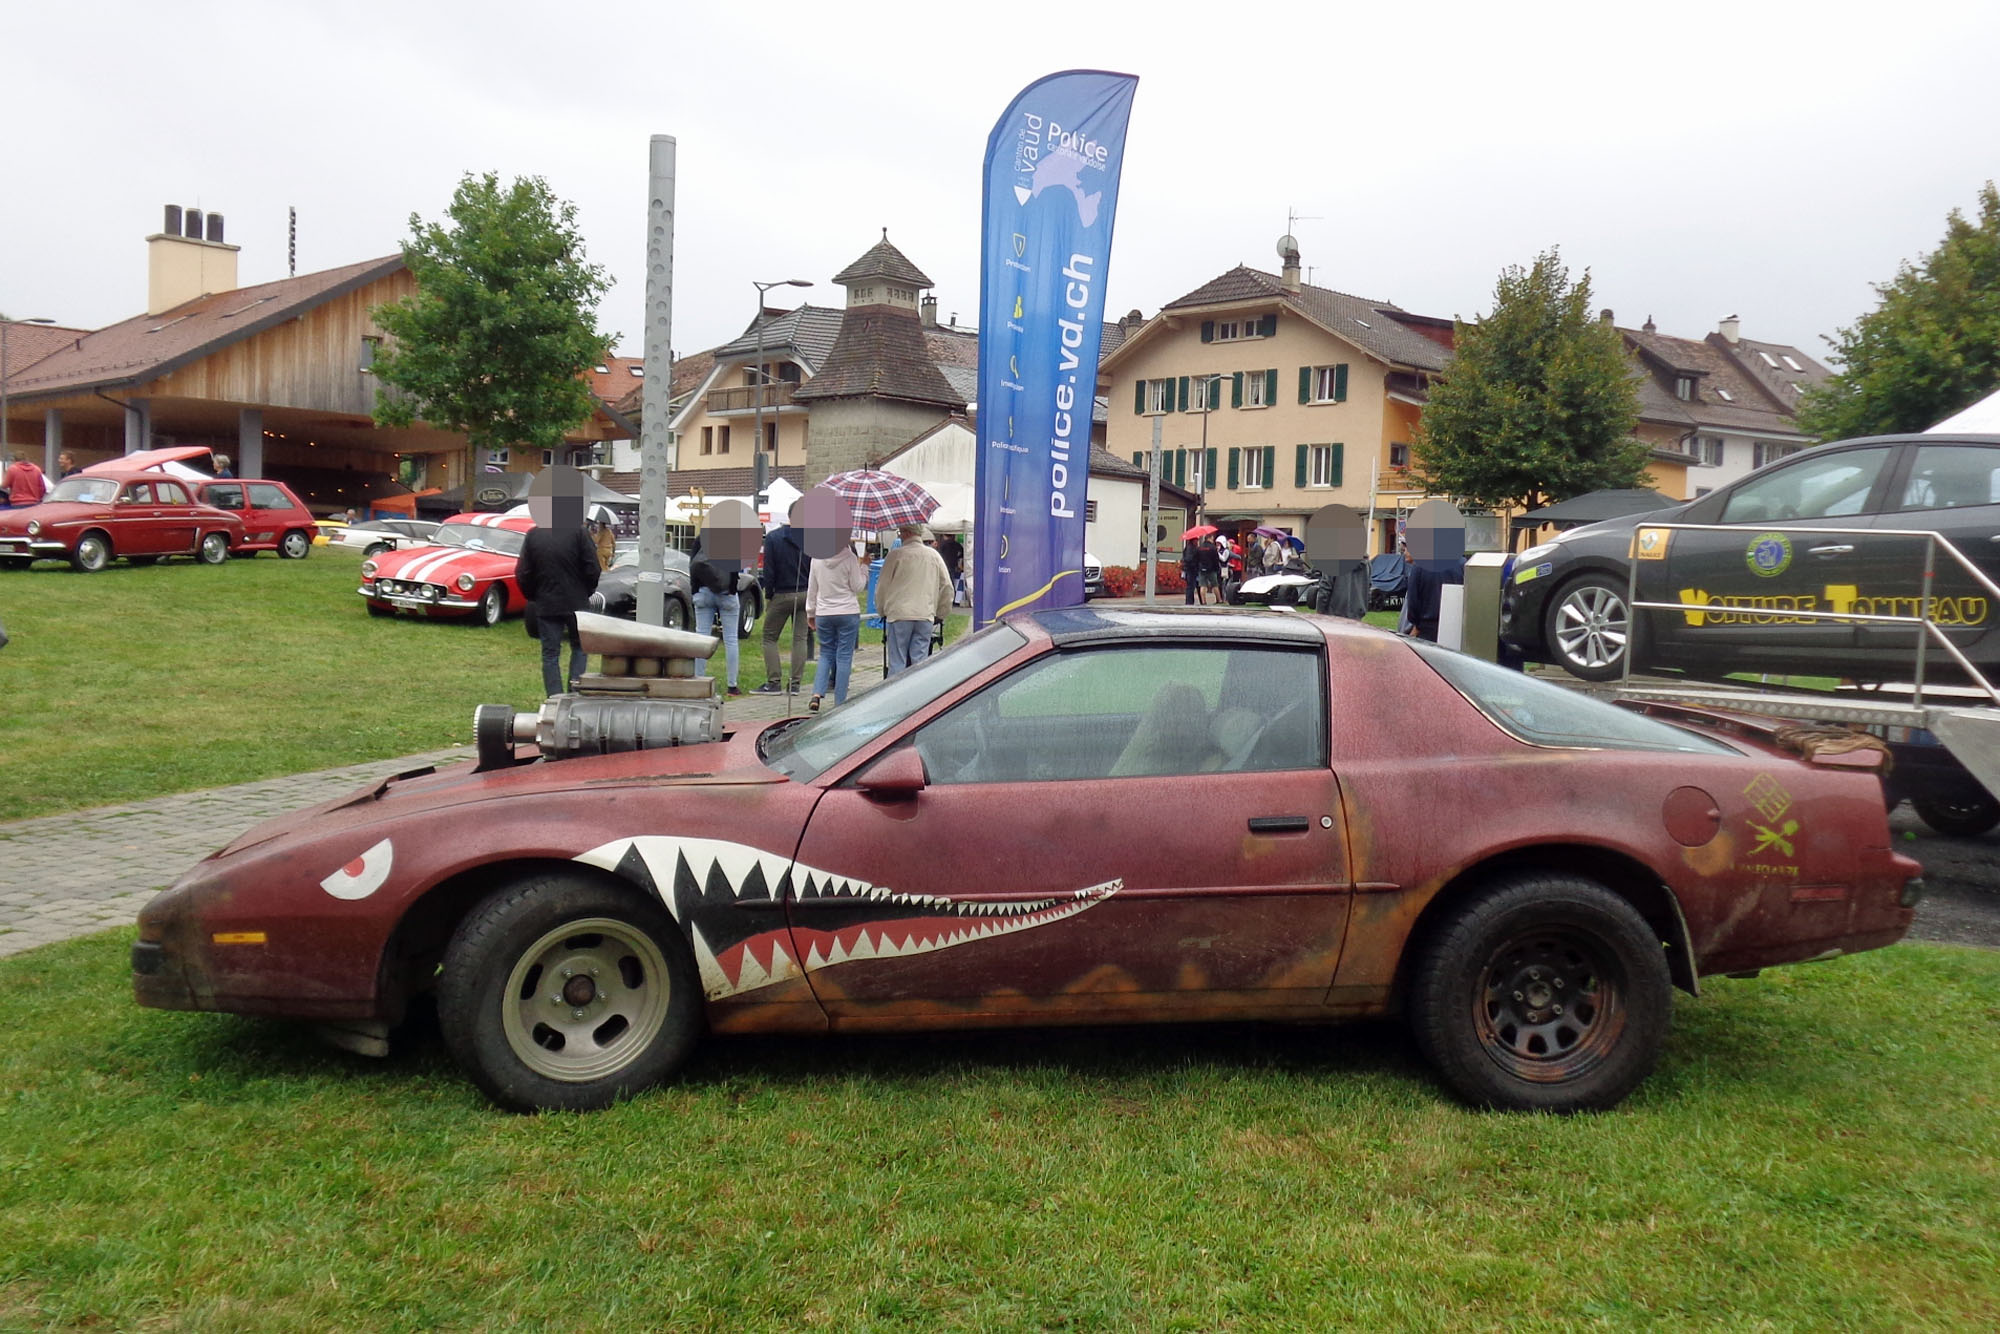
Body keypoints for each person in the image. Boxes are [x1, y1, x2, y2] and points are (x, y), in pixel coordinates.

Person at [516, 470, 601, 697]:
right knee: (579, 649)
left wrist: (533, 595)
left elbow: (523, 572)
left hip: (546, 602)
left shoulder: (534, 535)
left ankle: (554, 697)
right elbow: (593, 568)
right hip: (577, 602)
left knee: (550, 654)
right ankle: (574, 692)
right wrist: (587, 591)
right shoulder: (579, 533)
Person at [876, 522, 953, 675]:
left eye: (900, 532)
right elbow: (947, 587)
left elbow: (882, 587)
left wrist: (882, 610)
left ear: (905, 533)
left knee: (897, 663)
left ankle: (895, 695)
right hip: (925, 614)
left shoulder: (895, 556)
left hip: (899, 615)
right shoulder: (934, 556)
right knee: (920, 663)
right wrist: (940, 613)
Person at [805, 539, 868, 711]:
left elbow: (812, 588)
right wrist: (864, 569)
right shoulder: (850, 557)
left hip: (824, 612)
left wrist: (811, 612)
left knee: (825, 653)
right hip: (847, 611)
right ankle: (839, 702)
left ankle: (817, 693)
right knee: (844, 656)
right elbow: (857, 587)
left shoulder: (816, 558)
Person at [755, 502, 811, 694]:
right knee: (800, 639)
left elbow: (769, 570)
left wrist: (768, 594)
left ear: (789, 515)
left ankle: (774, 681)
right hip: (805, 593)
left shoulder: (773, 538)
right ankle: (795, 684)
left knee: (769, 638)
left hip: (782, 593)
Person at [689, 535, 743, 696]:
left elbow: (692, 565)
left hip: (703, 593)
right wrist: (732, 590)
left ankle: (699, 679)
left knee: (701, 637)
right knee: (731, 639)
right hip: (727, 594)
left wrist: (695, 591)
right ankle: (732, 685)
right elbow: (736, 569)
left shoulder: (700, 539)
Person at [937, 532, 966, 605]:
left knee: (943, 583)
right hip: (952, 565)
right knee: (951, 583)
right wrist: (957, 558)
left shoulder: (942, 544)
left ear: (944, 535)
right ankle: (952, 599)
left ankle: (944, 600)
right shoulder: (955, 544)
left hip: (944, 565)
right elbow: (962, 552)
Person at [1179, 540, 1199, 605]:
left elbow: (1184, 558)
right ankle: (1189, 602)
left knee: (1189, 586)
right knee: (1191, 586)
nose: (1197, 541)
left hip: (1187, 569)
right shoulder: (1192, 549)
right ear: (1193, 541)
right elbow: (1189, 559)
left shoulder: (1187, 548)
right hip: (1191, 570)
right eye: (1196, 540)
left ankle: (1189, 601)